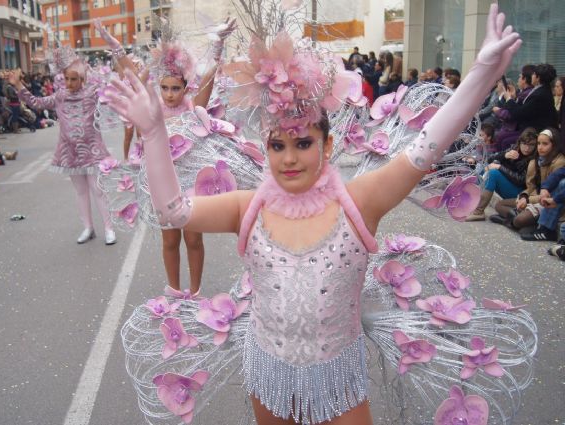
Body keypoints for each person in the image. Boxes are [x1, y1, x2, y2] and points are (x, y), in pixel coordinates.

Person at [107, 6, 533, 425]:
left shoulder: (359, 202)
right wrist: (154, 132)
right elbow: (173, 210)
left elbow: (425, 148)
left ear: (327, 147)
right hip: (269, 373)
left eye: (303, 144)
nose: (290, 158)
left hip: (338, 378)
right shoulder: (246, 207)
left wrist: (481, 75)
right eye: (278, 146)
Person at [98, 18, 236, 294]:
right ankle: (175, 291)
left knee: (194, 241)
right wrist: (115, 48)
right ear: (158, 87)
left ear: (185, 87)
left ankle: (195, 292)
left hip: (190, 184)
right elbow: (131, 77)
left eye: (176, 88)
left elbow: (208, 77)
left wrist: (219, 44)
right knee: (170, 241)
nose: (170, 94)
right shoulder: (154, 109)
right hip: (164, 186)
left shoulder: (193, 107)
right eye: (165, 87)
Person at [8, 45, 118, 245]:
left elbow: (113, 95)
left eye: (74, 79)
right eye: (66, 79)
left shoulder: (93, 93)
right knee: (81, 191)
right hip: (70, 151)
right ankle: (88, 227)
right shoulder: (59, 96)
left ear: (82, 79)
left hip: (92, 150)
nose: (69, 83)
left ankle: (109, 228)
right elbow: (36, 102)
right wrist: (18, 86)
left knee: (98, 190)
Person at [491, 127, 565, 232]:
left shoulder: (559, 162)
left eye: (545, 144)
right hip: (533, 198)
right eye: (539, 143)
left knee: (520, 220)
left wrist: (528, 200)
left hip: (547, 203)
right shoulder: (535, 161)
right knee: (500, 205)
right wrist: (524, 196)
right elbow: (530, 186)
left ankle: (510, 221)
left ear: (554, 145)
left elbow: (551, 195)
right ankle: (516, 220)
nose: (540, 147)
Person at [467, 127, 536, 221]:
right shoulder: (514, 149)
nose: (527, 148)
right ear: (520, 142)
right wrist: (504, 155)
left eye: (531, 145)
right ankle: (470, 201)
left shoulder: (533, 159)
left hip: (521, 192)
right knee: (483, 169)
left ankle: (479, 211)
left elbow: (521, 180)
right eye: (524, 144)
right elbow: (490, 159)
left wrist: (500, 167)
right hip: (510, 186)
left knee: (493, 173)